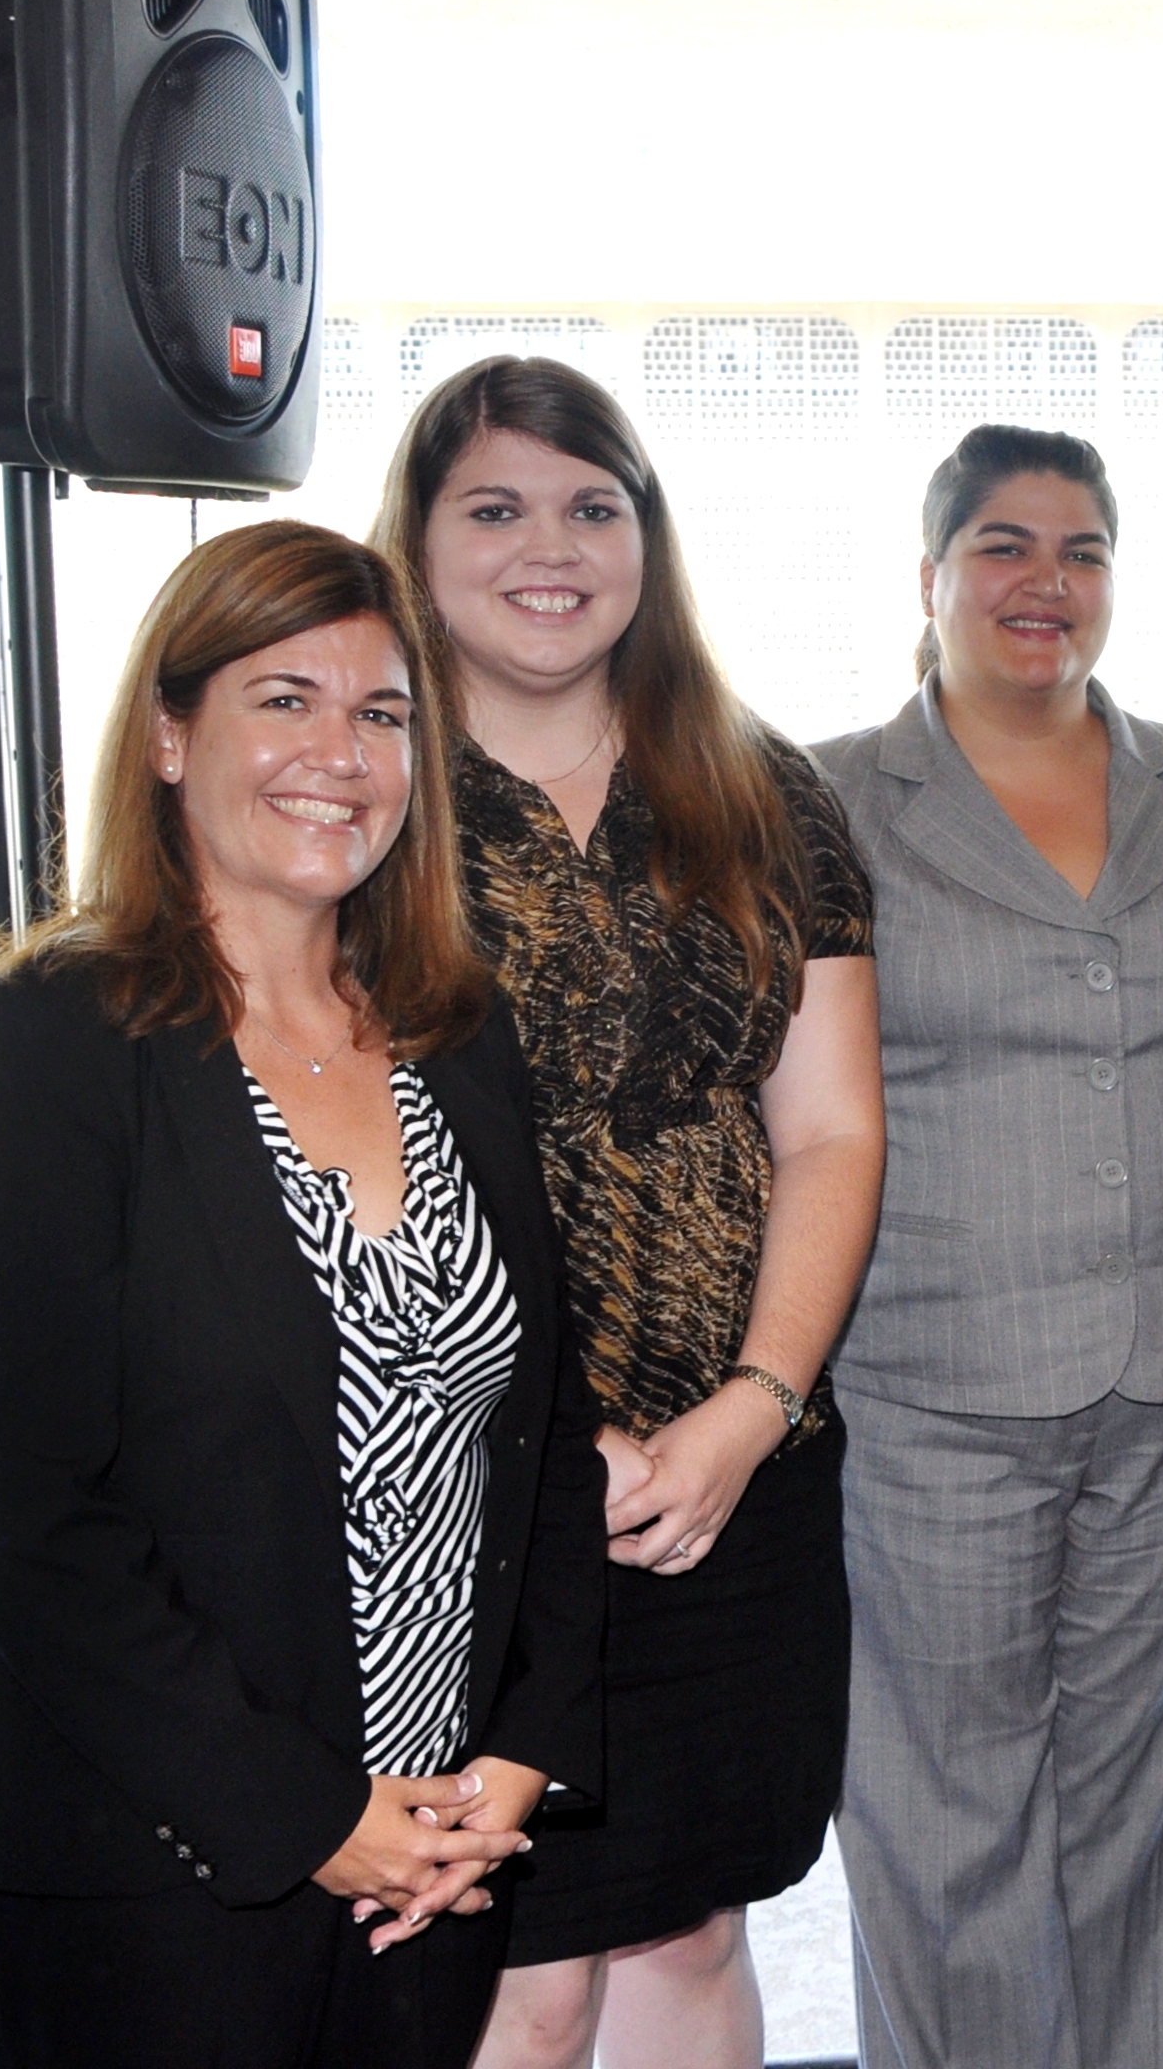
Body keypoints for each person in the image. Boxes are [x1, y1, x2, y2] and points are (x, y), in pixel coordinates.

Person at [0, 520, 605, 2068]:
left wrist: (519, 1754)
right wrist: (309, 1818)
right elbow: (33, 1510)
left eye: (382, 714)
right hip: (149, 1855)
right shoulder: (46, 1043)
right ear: (170, 736)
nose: (340, 755)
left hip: (439, 1839)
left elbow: (543, 1437)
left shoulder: (461, 1035)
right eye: (283, 699)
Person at [373, 357, 886, 2069]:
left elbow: (832, 1129)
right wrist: (549, 1445)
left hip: (736, 1478)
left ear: (648, 539)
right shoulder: (366, 794)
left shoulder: (765, 790)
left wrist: (754, 1408)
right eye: (496, 508)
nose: (552, 546)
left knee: (690, 1928)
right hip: (454, 1497)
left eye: (594, 506)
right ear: (418, 540)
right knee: (515, 1974)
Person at [816, 426, 1163, 2069]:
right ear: (929, 575)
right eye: (1002, 546)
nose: (1045, 581)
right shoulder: (822, 799)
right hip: (929, 1384)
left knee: (1148, 1792)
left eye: (1081, 549)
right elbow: (791, 1100)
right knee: (947, 1813)